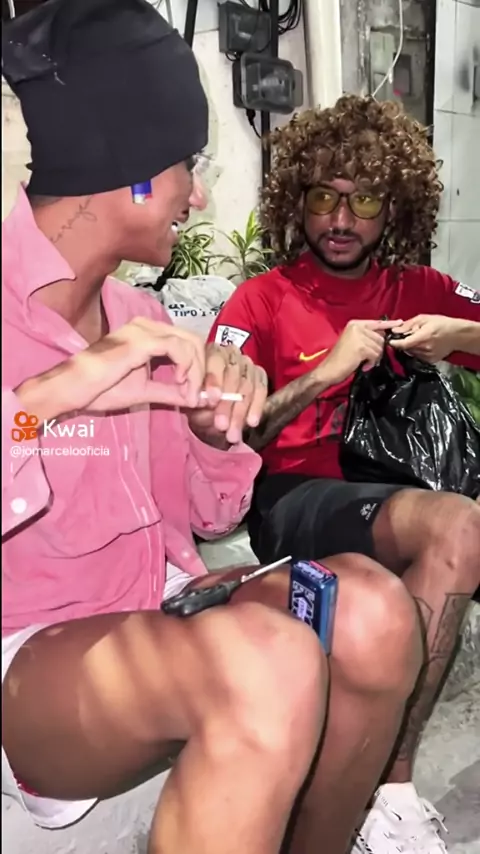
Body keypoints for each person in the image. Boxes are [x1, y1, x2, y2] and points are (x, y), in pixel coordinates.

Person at [2, 5, 424, 853]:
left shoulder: (141, 319)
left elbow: (209, 516)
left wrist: (211, 428)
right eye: (185, 168)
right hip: (33, 658)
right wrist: (48, 399)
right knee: (268, 663)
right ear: (126, 172)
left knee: (376, 613)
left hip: (158, 606)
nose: (197, 197)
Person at [209, 95, 480, 853]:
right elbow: (230, 436)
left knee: (455, 527)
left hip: (401, 491)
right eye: (323, 197)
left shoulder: (418, 288)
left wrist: (458, 331)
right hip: (292, 496)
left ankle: (384, 785)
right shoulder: (260, 301)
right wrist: (324, 373)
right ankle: (391, 785)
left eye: (362, 200)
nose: (340, 218)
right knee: (459, 524)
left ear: (392, 207)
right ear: (296, 202)